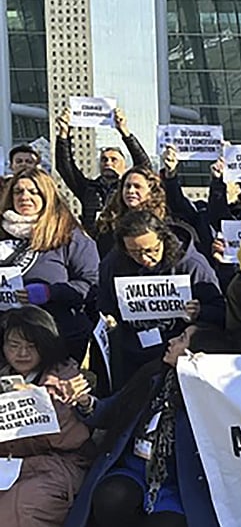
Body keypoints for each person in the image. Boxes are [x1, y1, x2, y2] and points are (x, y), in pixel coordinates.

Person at [62, 325, 228, 527]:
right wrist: (86, 403)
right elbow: (110, 410)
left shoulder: (210, 399)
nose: (171, 341)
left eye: (182, 339)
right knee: (111, 496)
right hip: (135, 470)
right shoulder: (152, 375)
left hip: (176, 487)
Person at [0, 307, 94, 527]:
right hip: (9, 463)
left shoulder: (67, 376)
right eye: (14, 345)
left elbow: (74, 435)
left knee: (25, 501)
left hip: (59, 462)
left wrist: (42, 400)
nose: (22, 353)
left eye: (31, 346)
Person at [97, 212, 224, 387]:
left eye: (151, 250)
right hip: (130, 350)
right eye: (134, 252)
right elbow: (104, 302)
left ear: (164, 239)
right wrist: (109, 317)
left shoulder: (193, 265)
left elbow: (220, 311)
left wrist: (200, 312)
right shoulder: (113, 264)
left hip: (174, 351)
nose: (144, 258)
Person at [0, 168, 100, 362]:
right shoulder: (2, 232)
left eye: (33, 192)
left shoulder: (69, 235)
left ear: (47, 196)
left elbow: (92, 283)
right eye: (18, 191)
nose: (24, 197)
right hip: (6, 341)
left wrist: (50, 293)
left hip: (56, 338)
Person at [53, 106, 151, 234]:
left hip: (121, 239)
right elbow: (65, 167)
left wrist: (124, 132)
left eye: (114, 160)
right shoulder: (88, 189)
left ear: (125, 166)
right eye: (104, 160)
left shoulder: (126, 190)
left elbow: (144, 167)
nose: (108, 163)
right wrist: (64, 133)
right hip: (93, 240)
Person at [93, 166, 172, 258]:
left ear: (151, 192)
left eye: (137, 186)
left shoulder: (161, 223)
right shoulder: (109, 221)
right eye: (127, 186)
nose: (131, 191)